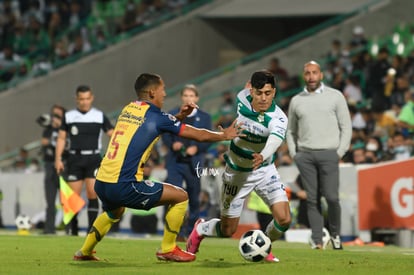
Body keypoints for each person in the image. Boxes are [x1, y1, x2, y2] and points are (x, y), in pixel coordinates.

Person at [72, 73, 243, 262]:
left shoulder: (129, 108)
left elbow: (154, 125)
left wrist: (178, 117)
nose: (164, 94)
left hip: (102, 182)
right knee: (180, 197)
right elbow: (198, 135)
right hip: (125, 185)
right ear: (152, 92)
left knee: (114, 212)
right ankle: (167, 248)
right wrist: (223, 135)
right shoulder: (157, 116)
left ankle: (84, 251)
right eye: (162, 90)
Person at [186, 70, 291, 263]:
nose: (263, 98)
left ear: (274, 92)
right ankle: (200, 228)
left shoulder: (279, 119)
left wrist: (263, 155)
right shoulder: (242, 98)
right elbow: (246, 90)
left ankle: (264, 246)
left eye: (268, 93)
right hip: (236, 174)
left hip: (264, 169)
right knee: (227, 230)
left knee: (284, 219)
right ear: (251, 91)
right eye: (259, 93)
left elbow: (275, 140)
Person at [286, 61, 352, 250]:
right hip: (305, 156)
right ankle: (317, 241)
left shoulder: (335, 96)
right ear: (303, 76)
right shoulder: (296, 100)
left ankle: (335, 235)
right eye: (307, 73)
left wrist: (339, 152)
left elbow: (346, 126)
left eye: (314, 73)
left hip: (330, 153)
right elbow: (290, 131)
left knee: (332, 197)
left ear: (321, 75)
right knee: (311, 199)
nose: (311, 76)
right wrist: (294, 154)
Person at [55, 85, 114, 236]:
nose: (84, 102)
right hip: (74, 158)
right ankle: (73, 231)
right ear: (76, 99)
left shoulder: (99, 115)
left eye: (87, 98)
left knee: (92, 193)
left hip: (93, 157)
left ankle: (91, 231)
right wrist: (58, 159)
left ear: (92, 98)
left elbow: (112, 134)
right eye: (81, 99)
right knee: (73, 198)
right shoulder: (69, 116)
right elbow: (61, 138)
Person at [162, 84, 212, 239]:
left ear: (196, 98)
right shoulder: (173, 114)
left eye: (192, 96)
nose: (189, 98)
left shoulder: (205, 117)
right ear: (181, 97)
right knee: (173, 194)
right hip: (175, 161)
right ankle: (173, 230)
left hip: (194, 162)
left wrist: (197, 148)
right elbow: (165, 133)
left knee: (194, 196)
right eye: (186, 96)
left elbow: (209, 138)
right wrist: (172, 144)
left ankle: (190, 231)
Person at [40, 104, 66, 234]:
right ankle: (49, 228)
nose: (54, 118)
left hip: (63, 165)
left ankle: (69, 228)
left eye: (58, 115)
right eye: (53, 115)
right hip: (50, 165)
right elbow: (44, 142)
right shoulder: (49, 129)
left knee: (66, 199)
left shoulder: (66, 128)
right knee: (50, 200)